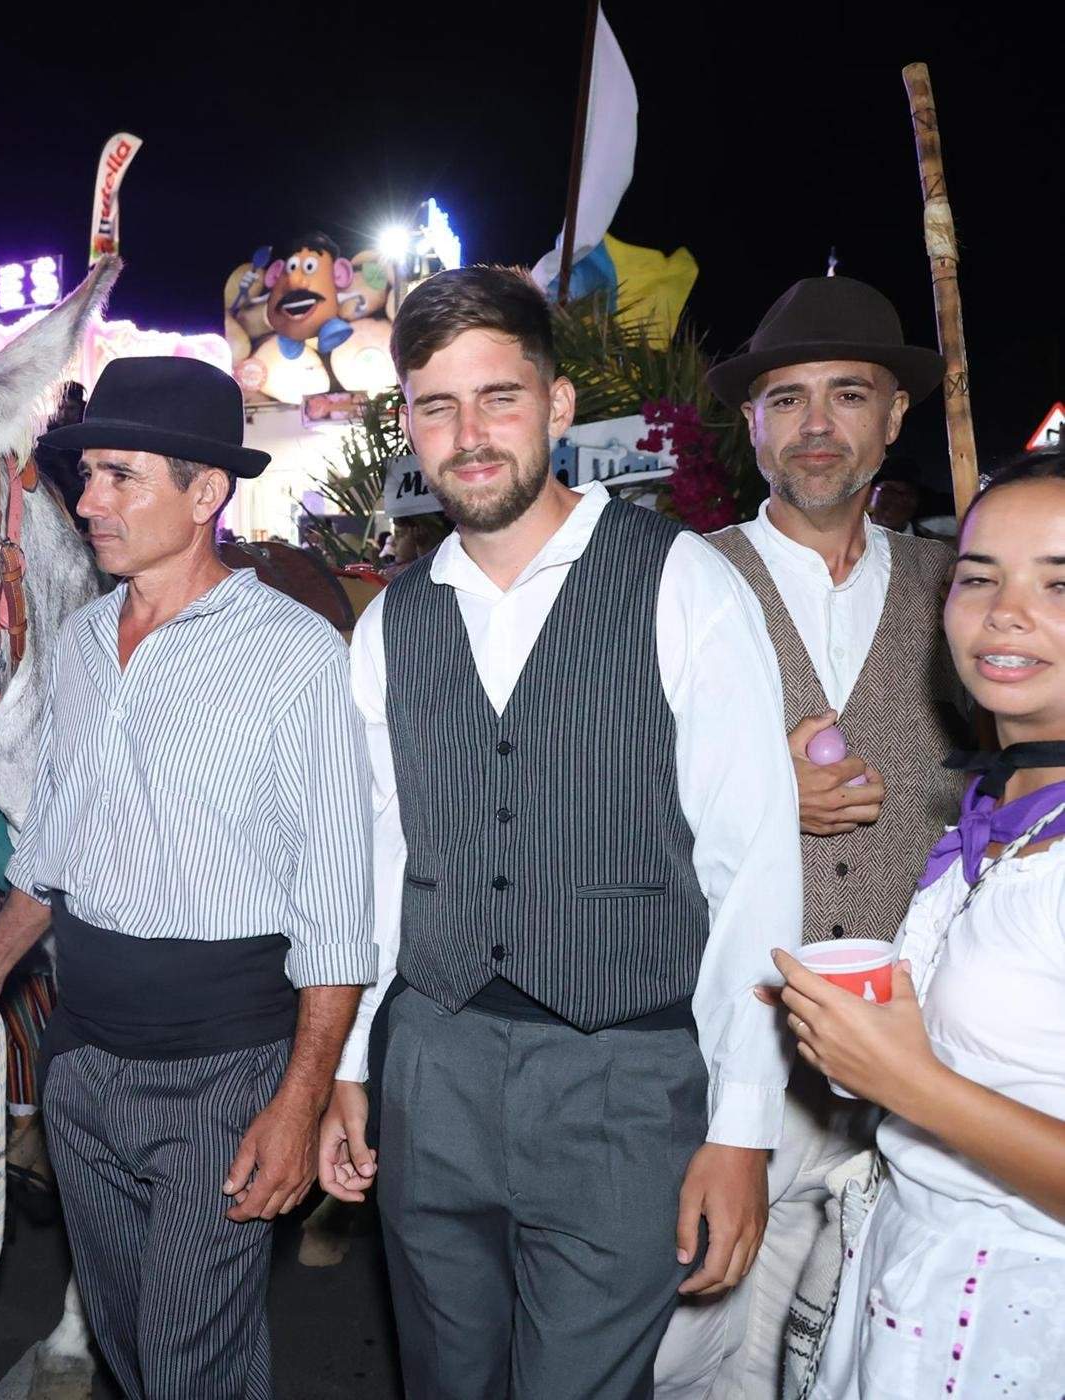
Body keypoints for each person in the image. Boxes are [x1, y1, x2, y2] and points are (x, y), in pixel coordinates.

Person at [315, 266, 802, 1399]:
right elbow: (379, 861)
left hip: (622, 1077)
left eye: (499, 397)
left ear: (558, 404)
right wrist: (348, 1061)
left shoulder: (681, 580)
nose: (469, 434)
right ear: (408, 426)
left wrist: (742, 1127)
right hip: (430, 1066)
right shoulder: (390, 621)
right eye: (437, 406)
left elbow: (751, 866)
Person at [0, 356, 375, 1399]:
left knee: (189, 1359)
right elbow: (54, 843)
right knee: (129, 1341)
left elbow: (337, 902)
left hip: (226, 1065)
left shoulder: (295, 654)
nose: (88, 501)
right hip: (84, 1055)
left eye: (120, 476)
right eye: (86, 475)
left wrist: (300, 1099)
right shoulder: (83, 641)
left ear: (206, 491)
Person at [658, 274, 969, 1398]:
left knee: (858, 1364)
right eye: (785, 398)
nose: (816, 424)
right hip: (725, 1066)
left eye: (849, 393)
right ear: (751, 424)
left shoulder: (963, 590)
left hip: (914, 1080)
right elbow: (593, 810)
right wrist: (747, 796)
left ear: (895, 415)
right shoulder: (676, 582)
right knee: (688, 1360)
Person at [784, 450, 1065, 1395]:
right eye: (978, 577)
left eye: (1058, 584)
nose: (1004, 613)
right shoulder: (999, 810)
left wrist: (907, 1082)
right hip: (911, 1283)